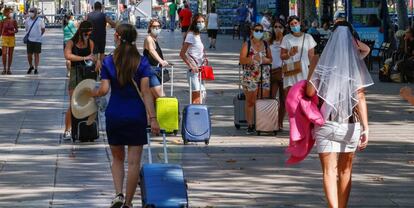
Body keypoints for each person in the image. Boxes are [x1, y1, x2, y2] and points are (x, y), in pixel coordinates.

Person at [90, 24, 160, 208]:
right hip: (136, 115)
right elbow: (146, 92)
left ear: (117, 37)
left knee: (118, 159)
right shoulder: (142, 62)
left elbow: (104, 89)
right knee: (135, 162)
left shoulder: (108, 61)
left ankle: (118, 194)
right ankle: (128, 203)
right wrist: (153, 118)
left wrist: (92, 93)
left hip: (115, 115)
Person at [306, 21, 372, 208]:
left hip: (325, 122)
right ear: (352, 39)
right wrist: (366, 128)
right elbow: (360, 96)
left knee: (329, 171)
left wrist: (312, 67)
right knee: (345, 171)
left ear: (331, 37)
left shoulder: (320, 59)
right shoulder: (355, 62)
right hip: (350, 124)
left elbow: (311, 92)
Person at [63, 21, 97, 140]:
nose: (88, 36)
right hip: (75, 73)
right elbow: (67, 55)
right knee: (73, 102)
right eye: (87, 33)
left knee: (89, 101)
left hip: (88, 74)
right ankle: (68, 129)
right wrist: (84, 58)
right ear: (81, 31)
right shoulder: (71, 42)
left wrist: (95, 61)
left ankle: (87, 130)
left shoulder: (90, 42)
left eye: (89, 33)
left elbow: (92, 57)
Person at [239, 23, 272, 134]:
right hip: (250, 76)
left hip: (264, 75)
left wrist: (264, 59)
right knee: (250, 101)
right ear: (252, 31)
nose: (259, 32)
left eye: (261, 30)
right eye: (256, 30)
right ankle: (250, 124)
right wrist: (253, 58)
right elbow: (242, 60)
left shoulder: (266, 45)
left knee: (263, 99)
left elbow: (270, 59)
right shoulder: (247, 44)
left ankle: (261, 123)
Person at [280, 15, 316, 97]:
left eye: (295, 23)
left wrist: (313, 72)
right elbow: (282, 56)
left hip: (305, 70)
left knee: (303, 97)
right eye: (292, 24)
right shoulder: (286, 38)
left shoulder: (308, 37)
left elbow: (312, 57)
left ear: (299, 23)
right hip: (290, 70)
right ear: (289, 26)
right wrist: (289, 53)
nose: (294, 25)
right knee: (291, 97)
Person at [180, 14, 208, 104]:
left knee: (202, 95)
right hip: (193, 72)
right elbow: (182, 53)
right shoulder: (191, 35)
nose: (201, 24)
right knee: (196, 98)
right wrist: (191, 65)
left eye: (202, 22)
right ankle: (195, 117)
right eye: (198, 22)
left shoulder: (197, 35)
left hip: (201, 70)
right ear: (194, 23)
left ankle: (200, 116)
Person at [143, 19, 169, 99]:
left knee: (154, 99)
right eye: (154, 26)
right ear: (150, 28)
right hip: (150, 71)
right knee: (162, 98)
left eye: (158, 26)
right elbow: (151, 50)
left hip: (156, 70)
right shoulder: (149, 39)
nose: (157, 28)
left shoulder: (154, 39)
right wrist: (161, 61)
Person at [86, 1, 116, 68]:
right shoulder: (104, 15)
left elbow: (84, 24)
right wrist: (115, 25)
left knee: (94, 53)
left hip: (92, 37)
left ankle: (95, 69)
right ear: (101, 8)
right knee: (102, 53)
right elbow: (112, 23)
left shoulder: (89, 15)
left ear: (94, 8)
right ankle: (102, 69)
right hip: (101, 37)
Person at [269, 19, 285, 130]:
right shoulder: (269, 41)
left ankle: (280, 122)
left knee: (283, 99)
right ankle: (272, 121)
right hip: (272, 71)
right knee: (272, 98)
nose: (277, 29)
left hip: (284, 72)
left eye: (280, 26)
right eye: (275, 26)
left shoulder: (287, 41)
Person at [24, 7, 45, 75]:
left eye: (32, 11)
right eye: (30, 11)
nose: (31, 12)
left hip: (37, 40)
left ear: (36, 12)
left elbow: (43, 29)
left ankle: (36, 68)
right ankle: (31, 66)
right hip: (29, 40)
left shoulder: (40, 20)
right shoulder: (27, 20)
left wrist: (39, 35)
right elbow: (26, 29)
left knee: (36, 54)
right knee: (29, 55)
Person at [0, 8, 18, 75]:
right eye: (9, 12)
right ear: (5, 13)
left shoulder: (14, 21)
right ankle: (4, 69)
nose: (10, 13)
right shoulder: (2, 21)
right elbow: (0, 31)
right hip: (4, 37)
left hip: (11, 38)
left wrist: (12, 31)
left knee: (10, 54)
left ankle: (9, 69)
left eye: (11, 12)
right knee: (4, 53)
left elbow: (16, 30)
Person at [63, 12, 77, 77]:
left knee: (67, 58)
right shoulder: (71, 23)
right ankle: (72, 71)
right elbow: (75, 33)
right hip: (71, 42)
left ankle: (68, 72)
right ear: (70, 16)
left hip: (65, 42)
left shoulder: (64, 23)